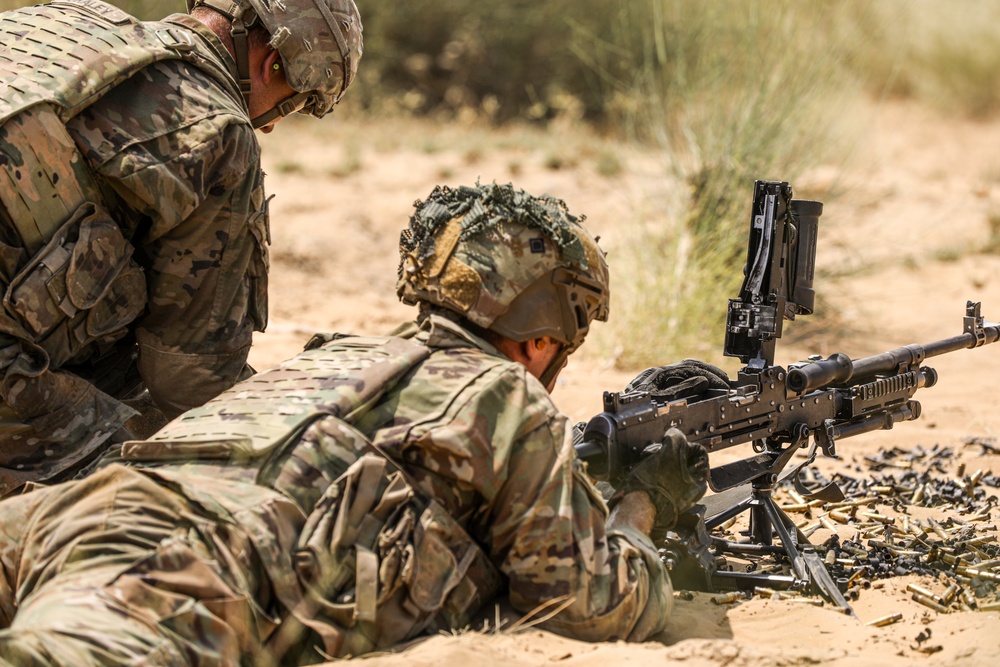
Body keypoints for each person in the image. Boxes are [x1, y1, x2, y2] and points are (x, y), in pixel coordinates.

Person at [0, 182, 711, 665]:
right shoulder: (506, 394)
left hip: (69, 511)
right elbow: (587, 603)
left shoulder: (339, 356)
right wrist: (641, 509)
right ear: (541, 333)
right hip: (194, 563)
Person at [0, 0, 364, 495]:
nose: (274, 123)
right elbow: (191, 382)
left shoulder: (66, 17)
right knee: (168, 497)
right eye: (296, 100)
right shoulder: (216, 132)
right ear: (274, 63)